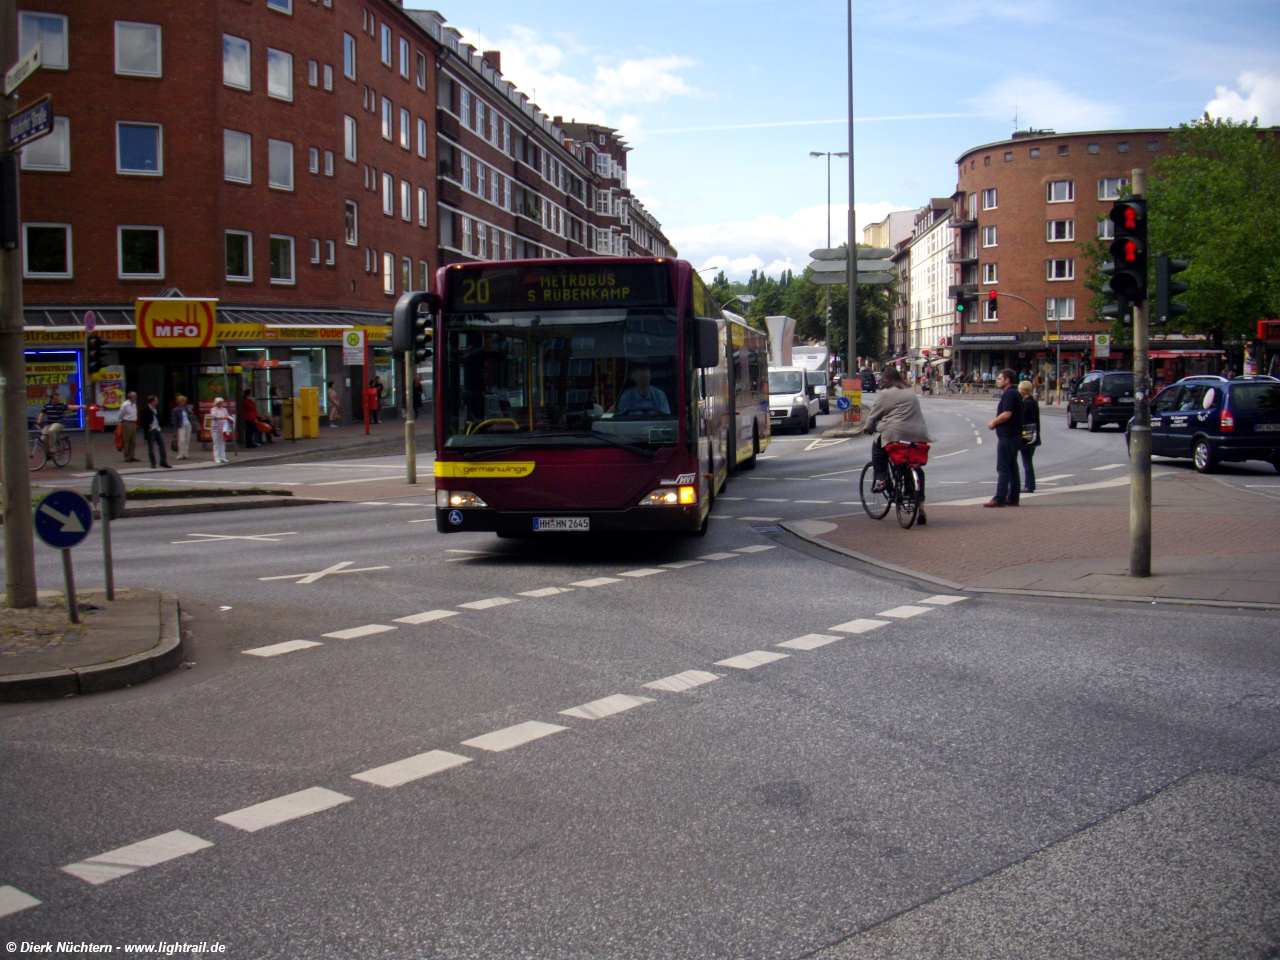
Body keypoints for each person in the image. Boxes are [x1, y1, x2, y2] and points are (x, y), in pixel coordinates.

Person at [864, 365, 931, 525]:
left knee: (878, 448)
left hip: (895, 433)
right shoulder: (910, 391)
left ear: (885, 379)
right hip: (918, 434)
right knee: (913, 466)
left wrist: (868, 427)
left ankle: (881, 480)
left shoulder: (886, 394)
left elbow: (874, 415)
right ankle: (920, 508)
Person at [986, 369, 1023, 507]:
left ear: (1007, 380)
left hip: (1007, 436)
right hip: (1014, 435)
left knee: (1003, 468)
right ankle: (1013, 496)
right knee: (1012, 466)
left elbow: (1007, 414)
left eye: (1000, 378)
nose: (998, 380)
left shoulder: (1009, 394)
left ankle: (999, 498)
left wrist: (994, 423)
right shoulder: (1015, 393)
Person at [1018, 380, 1041, 493]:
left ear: (1023, 391)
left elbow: (1023, 420)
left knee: (1027, 461)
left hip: (1027, 436)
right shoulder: (1033, 402)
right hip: (1034, 435)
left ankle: (1029, 485)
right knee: (1028, 460)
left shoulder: (1026, 404)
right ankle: (1030, 484)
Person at [139, 395, 172, 469]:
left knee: (162, 445)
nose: (157, 402)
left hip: (157, 429)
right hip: (151, 430)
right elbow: (142, 421)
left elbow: (158, 418)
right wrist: (148, 427)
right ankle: (153, 463)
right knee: (151, 447)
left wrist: (160, 425)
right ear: (152, 401)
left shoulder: (156, 408)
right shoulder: (145, 410)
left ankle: (163, 461)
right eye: (156, 400)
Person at [172, 394, 195, 460]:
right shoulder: (176, 410)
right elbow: (174, 420)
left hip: (188, 425)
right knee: (181, 440)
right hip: (181, 425)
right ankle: (180, 454)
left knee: (187, 440)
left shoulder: (187, 408)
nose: (182, 403)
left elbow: (192, 416)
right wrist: (175, 429)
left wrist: (190, 412)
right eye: (180, 401)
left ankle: (185, 453)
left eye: (183, 401)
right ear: (178, 402)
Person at [209, 397, 232, 463]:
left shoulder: (224, 409)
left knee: (222, 442)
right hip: (215, 428)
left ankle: (223, 457)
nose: (220, 405)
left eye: (221, 403)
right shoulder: (213, 409)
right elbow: (214, 416)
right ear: (216, 403)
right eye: (219, 403)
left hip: (223, 428)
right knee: (216, 443)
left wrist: (229, 418)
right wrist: (223, 417)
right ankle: (216, 457)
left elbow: (227, 416)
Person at [119, 391, 140, 462]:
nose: (135, 398)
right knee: (127, 440)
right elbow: (120, 414)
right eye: (134, 397)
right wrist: (123, 421)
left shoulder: (134, 404)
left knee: (133, 441)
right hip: (127, 422)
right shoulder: (125, 405)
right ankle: (126, 456)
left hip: (133, 422)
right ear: (130, 397)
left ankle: (132, 455)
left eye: (135, 397)